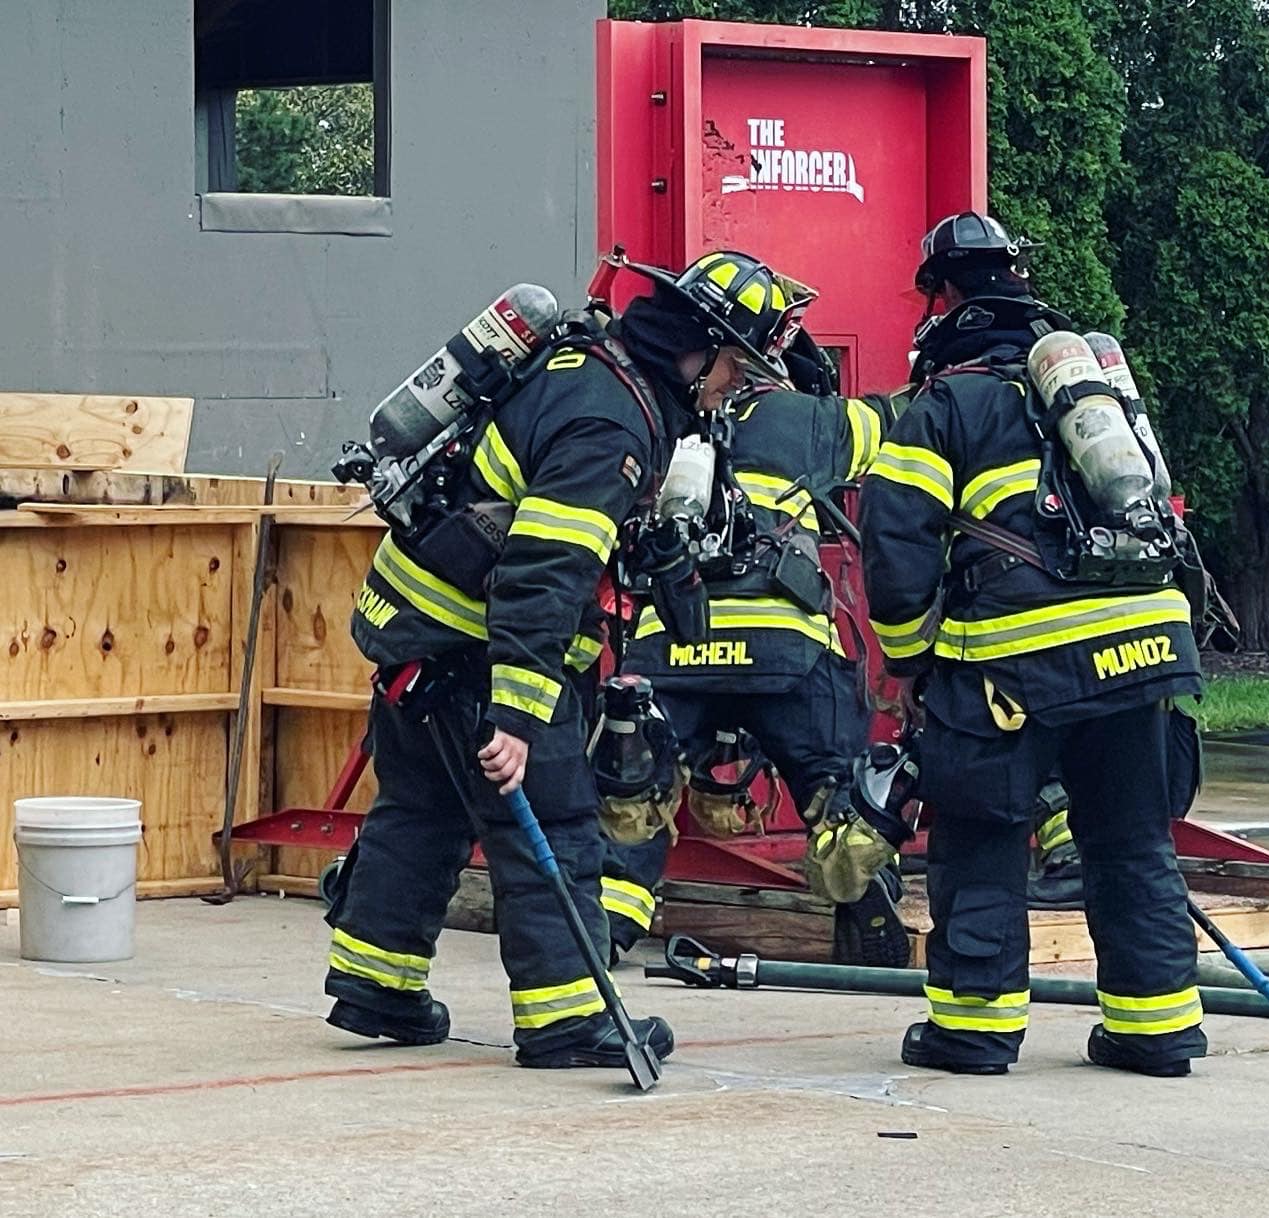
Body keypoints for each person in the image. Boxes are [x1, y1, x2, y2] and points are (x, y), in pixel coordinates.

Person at [323, 247, 800, 1069]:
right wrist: (516, 715)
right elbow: (544, 568)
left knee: (421, 811)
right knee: (554, 822)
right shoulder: (612, 423)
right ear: (698, 347)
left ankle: (376, 986)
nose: (734, 388)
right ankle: (569, 1020)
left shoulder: (589, 361)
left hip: (412, 627)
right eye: (736, 368)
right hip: (479, 651)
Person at [860, 211, 1208, 1077]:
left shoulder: (947, 405)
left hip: (1013, 668)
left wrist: (910, 661)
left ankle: (973, 1032)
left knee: (982, 838)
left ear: (943, 297)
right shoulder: (1095, 396)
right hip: (1143, 652)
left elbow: (896, 551)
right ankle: (1157, 1032)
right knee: (1130, 841)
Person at [599, 310, 911, 967]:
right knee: (835, 788)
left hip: (673, 647)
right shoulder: (811, 419)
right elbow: (899, 421)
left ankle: (607, 924)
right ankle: (868, 912)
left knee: (640, 792)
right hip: (784, 650)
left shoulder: (659, 412)